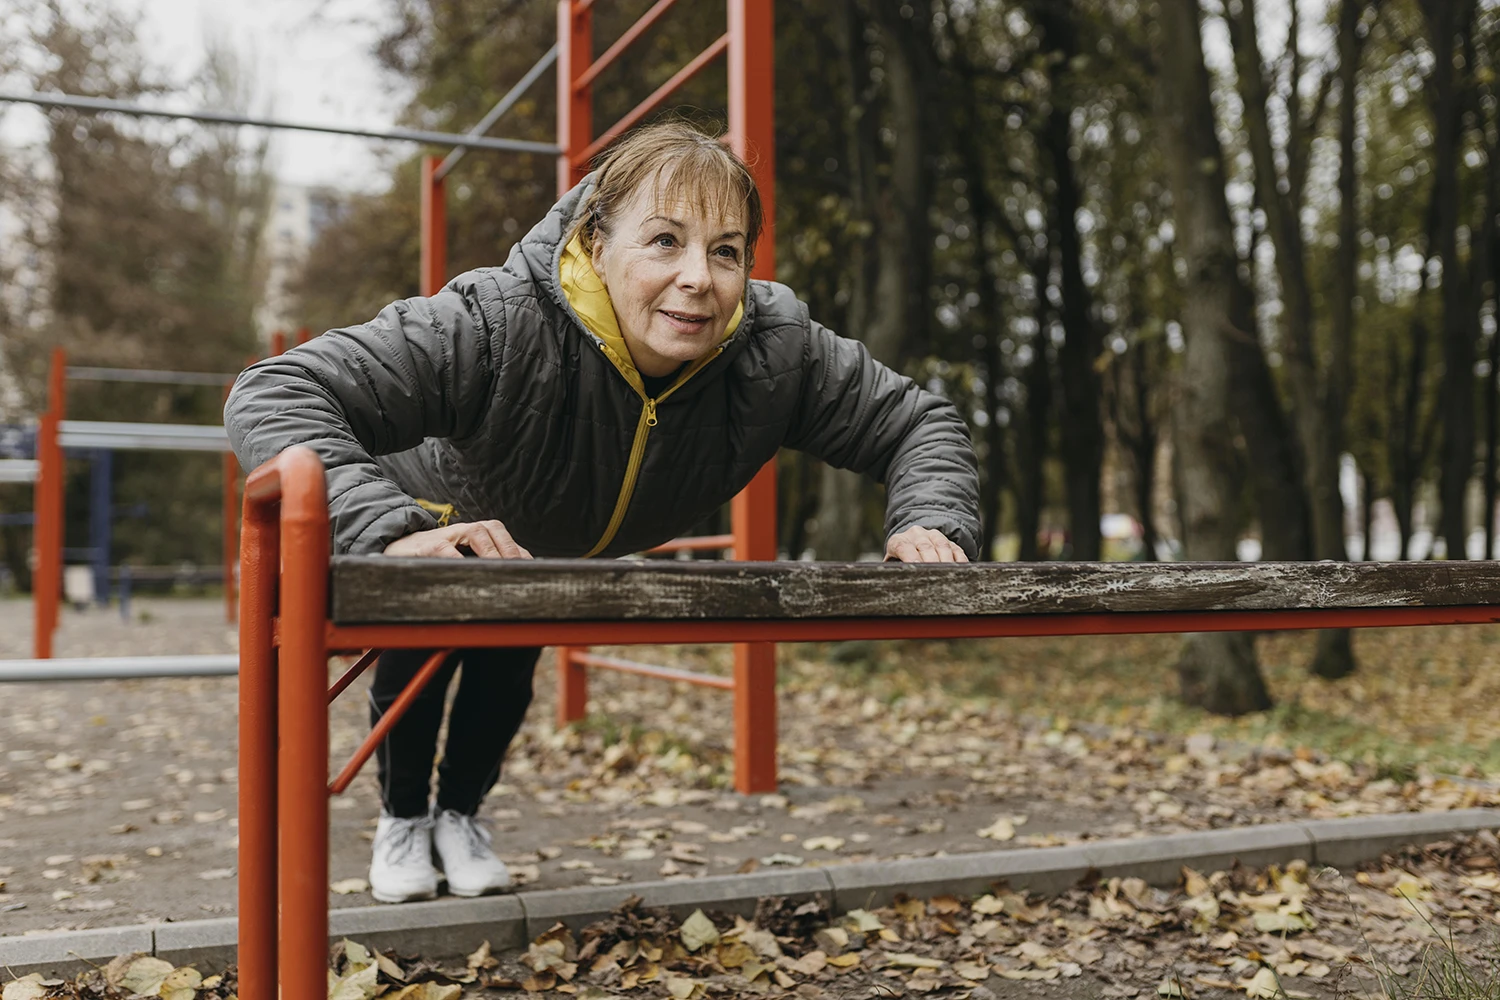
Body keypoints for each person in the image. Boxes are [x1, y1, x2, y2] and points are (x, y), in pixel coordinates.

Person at [224, 121, 981, 904]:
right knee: (421, 657)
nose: (698, 278)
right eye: (664, 241)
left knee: (504, 673)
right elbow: (275, 389)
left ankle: (459, 814)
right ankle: (403, 818)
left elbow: (917, 423)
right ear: (595, 242)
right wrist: (394, 530)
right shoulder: (499, 322)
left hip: (547, 541)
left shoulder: (773, 351)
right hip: (440, 514)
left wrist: (929, 520)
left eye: (725, 251)